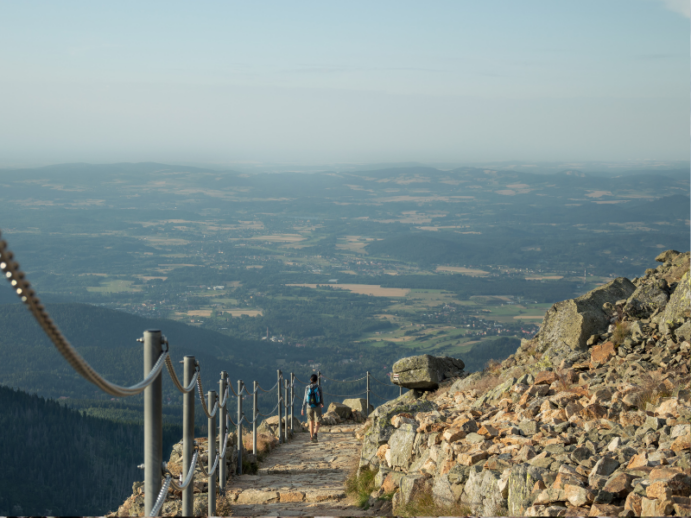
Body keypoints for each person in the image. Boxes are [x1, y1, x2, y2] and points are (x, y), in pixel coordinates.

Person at [301, 374, 324, 442]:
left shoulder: (307, 387)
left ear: (310, 380)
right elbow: (321, 397)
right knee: (318, 421)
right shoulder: (319, 387)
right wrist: (322, 403)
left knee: (311, 421)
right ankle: (315, 433)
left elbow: (305, 398)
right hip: (317, 406)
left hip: (309, 406)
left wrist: (302, 408)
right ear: (316, 380)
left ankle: (311, 437)